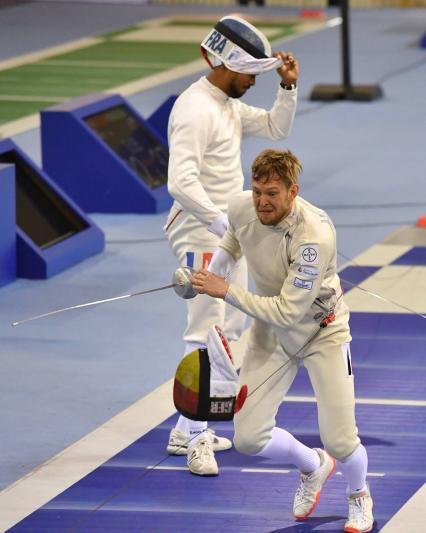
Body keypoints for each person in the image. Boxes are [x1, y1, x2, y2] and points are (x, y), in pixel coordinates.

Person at [191, 149, 374, 532]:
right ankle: (312, 465)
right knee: (248, 438)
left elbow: (288, 312)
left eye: (272, 193)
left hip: (321, 332)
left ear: (293, 191)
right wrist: (208, 277)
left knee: (341, 440)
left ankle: (358, 493)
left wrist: (225, 290)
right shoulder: (242, 206)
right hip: (271, 333)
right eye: (257, 191)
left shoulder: (313, 237)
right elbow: (234, 239)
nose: (262, 201)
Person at [164, 15, 299, 476]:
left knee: (231, 326)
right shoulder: (194, 108)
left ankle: (185, 429)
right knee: (204, 328)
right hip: (201, 229)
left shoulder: (226, 105)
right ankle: (197, 436)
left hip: (227, 231)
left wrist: (287, 87)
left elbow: (277, 128)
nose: (253, 82)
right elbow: (180, 182)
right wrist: (223, 223)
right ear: (229, 64)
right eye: (251, 73)